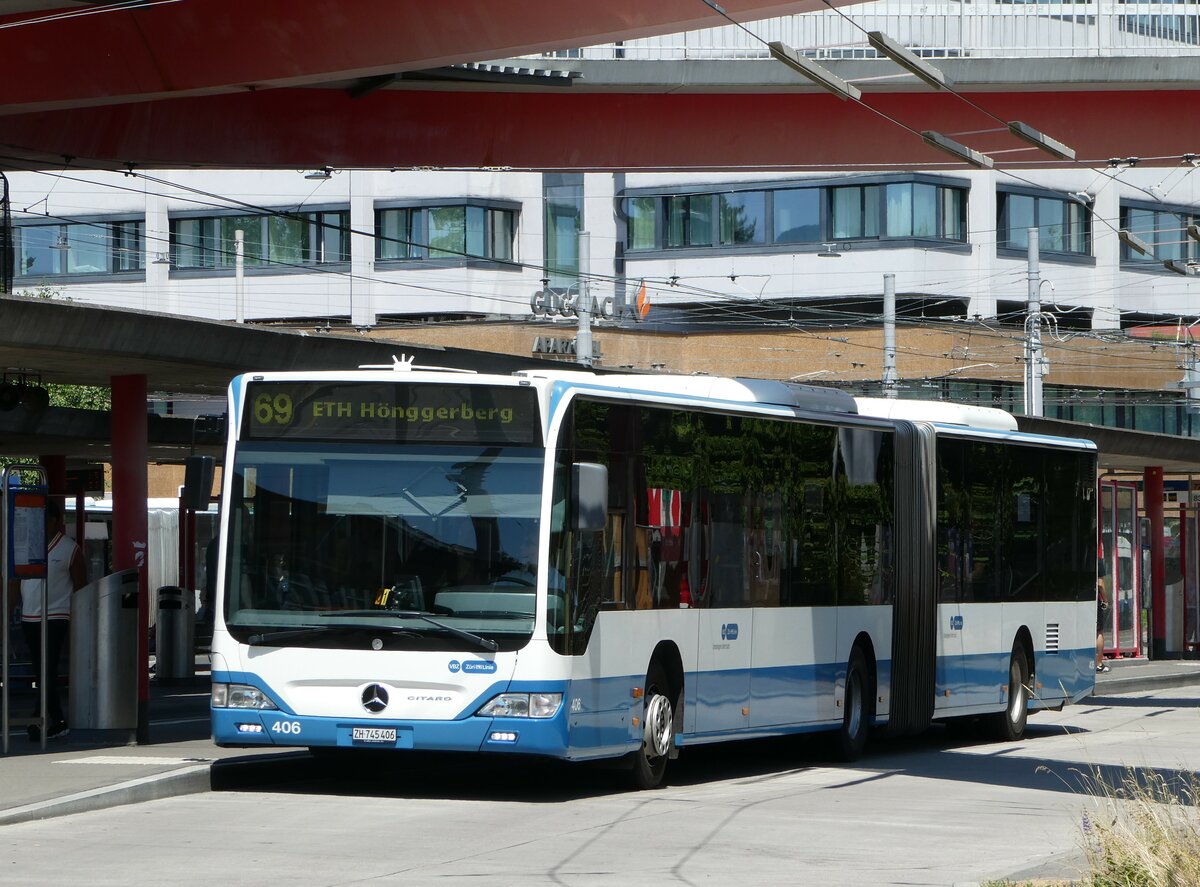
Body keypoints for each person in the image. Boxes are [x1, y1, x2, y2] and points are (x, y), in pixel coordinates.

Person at [17, 502, 87, 740]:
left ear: (56, 521)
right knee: (41, 669)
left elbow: (80, 588)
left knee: (47, 667)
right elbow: (16, 582)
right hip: (30, 615)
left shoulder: (70, 549)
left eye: (46, 520)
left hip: (56, 615)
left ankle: (42, 718)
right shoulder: (27, 546)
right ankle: (54, 718)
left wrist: (78, 623)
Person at [1096, 558, 1111, 674]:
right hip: (1092, 600)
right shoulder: (1097, 560)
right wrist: (1105, 600)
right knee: (1098, 632)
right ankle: (1098, 664)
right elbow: (1100, 584)